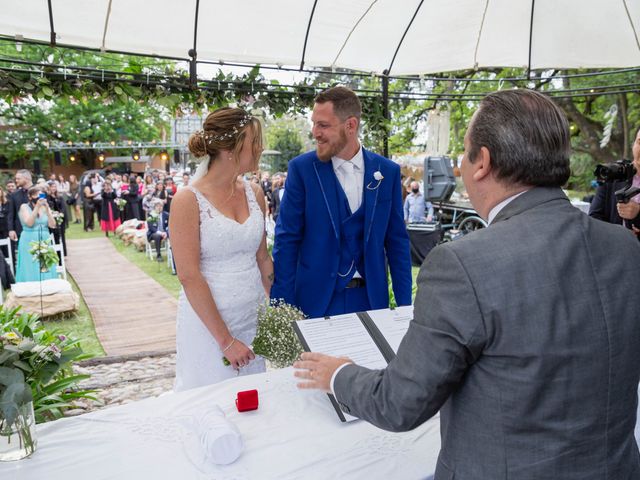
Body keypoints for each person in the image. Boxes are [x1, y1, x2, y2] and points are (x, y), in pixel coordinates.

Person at [294, 89, 640, 479]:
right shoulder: (626, 248)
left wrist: (338, 374)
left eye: (464, 152)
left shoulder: (463, 265)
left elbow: (399, 404)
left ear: (483, 163)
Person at [271, 86, 411, 317]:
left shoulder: (387, 172)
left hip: (371, 301)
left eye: (323, 125)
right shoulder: (302, 170)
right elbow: (287, 240)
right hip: (316, 302)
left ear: (351, 125)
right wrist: (283, 310)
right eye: (314, 123)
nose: (315, 132)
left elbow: (397, 243)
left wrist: (405, 309)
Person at [170, 107, 273, 391]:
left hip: (251, 316)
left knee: (255, 400)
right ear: (232, 147)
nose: (260, 148)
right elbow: (189, 276)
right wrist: (225, 340)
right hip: (209, 324)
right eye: (254, 141)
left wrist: (278, 306)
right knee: (213, 401)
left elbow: (262, 257)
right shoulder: (187, 200)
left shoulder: (255, 193)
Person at [589, 127, 640, 236]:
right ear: (633, 145)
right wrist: (617, 234)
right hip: (613, 250)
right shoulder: (614, 173)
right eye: (639, 142)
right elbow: (594, 217)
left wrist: (638, 213)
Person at [16, 185, 58, 282]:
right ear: (30, 197)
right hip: (29, 240)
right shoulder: (24, 207)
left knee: (45, 263)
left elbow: (52, 225)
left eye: (41, 195)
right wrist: (37, 207)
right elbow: (29, 223)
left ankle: (47, 284)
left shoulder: (44, 207)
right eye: (36, 195)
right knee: (31, 264)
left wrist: (47, 210)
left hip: (44, 239)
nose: (39, 198)